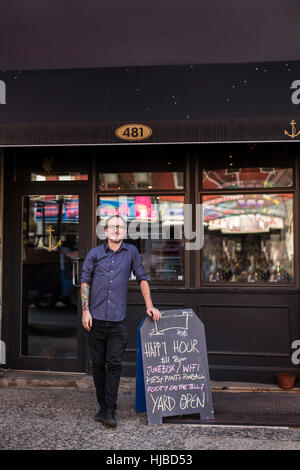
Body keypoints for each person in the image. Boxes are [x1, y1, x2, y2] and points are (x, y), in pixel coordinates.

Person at [81, 214, 161, 427]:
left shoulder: (131, 252)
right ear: (105, 231)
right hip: (95, 319)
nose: (117, 230)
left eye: (121, 227)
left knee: (114, 364)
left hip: (117, 321)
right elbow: (85, 282)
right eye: (113, 226)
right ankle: (103, 405)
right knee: (98, 364)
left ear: (124, 232)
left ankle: (110, 409)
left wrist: (149, 305)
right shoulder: (95, 253)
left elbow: (142, 278)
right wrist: (85, 310)